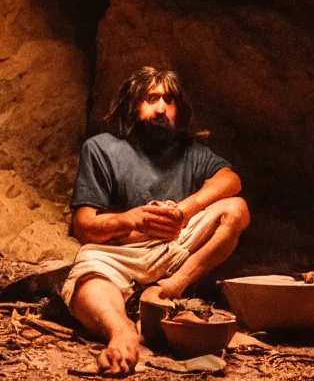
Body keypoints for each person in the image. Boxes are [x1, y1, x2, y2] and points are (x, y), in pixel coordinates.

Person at [61, 66, 250, 374]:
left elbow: (230, 180)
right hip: (121, 251)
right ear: (135, 105)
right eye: (152, 98)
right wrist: (131, 220)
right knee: (88, 277)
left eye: (170, 100)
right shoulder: (102, 149)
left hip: (175, 246)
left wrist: (183, 211)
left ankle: (167, 291)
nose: (162, 107)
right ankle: (121, 331)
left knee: (235, 208)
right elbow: (83, 226)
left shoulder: (191, 152)